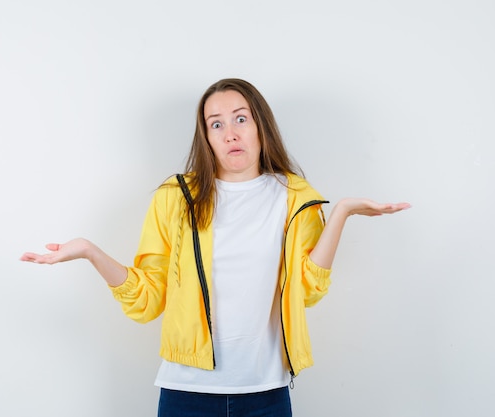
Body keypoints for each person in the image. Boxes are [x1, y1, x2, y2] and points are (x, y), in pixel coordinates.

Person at [20, 78, 410, 417]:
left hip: (266, 394)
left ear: (260, 125)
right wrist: (90, 251)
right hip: (186, 395)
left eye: (241, 119)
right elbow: (147, 299)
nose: (230, 134)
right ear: (205, 137)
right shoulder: (176, 197)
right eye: (216, 124)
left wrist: (340, 213)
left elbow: (307, 291)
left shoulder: (296, 199)